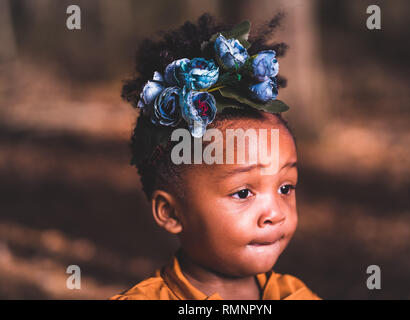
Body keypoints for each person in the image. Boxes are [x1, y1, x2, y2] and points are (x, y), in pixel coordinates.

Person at [110, 13, 320, 300]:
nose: (275, 213)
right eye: (244, 192)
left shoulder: (295, 295)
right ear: (171, 212)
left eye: (286, 188)